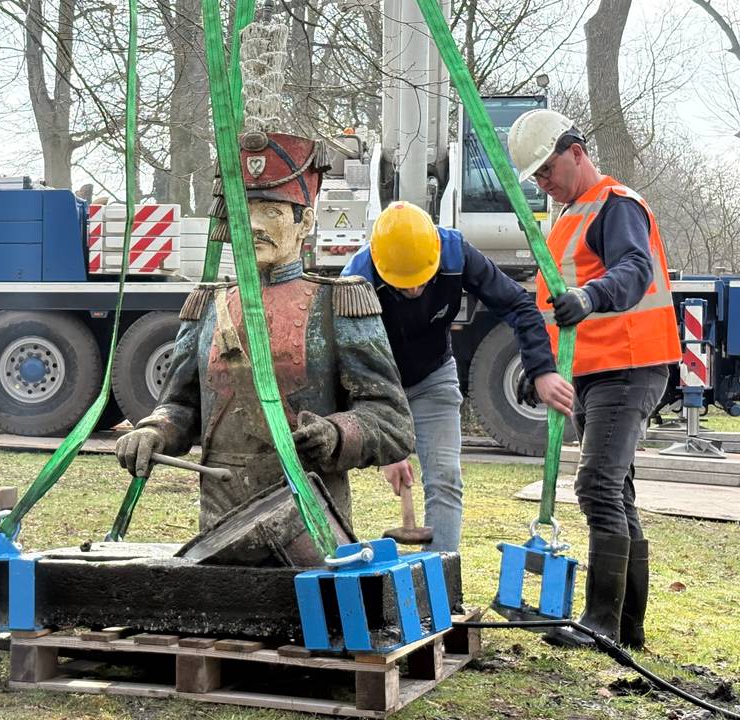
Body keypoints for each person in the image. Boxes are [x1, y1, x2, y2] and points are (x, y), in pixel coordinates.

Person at [115, 129, 414, 566]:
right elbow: (180, 406)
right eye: (245, 211)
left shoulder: (340, 304)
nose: (254, 224)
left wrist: (336, 433)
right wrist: (153, 430)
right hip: (219, 532)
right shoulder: (206, 306)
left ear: (305, 223)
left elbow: (392, 423)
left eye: (272, 211)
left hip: (309, 531)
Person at [507, 109, 681, 649]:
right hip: (593, 370)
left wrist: (588, 297)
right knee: (616, 492)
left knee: (597, 486)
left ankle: (601, 623)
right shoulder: (567, 217)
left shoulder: (615, 205)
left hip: (628, 365)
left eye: (547, 169)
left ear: (576, 151)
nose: (544, 182)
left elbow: (633, 270)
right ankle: (627, 628)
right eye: (535, 177)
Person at [341, 201, 574, 554]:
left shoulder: (455, 253)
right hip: (376, 383)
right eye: (404, 287)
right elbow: (350, 362)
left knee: (446, 479)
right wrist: (385, 441)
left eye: (422, 282)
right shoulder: (357, 278)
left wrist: (541, 370)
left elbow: (518, 305)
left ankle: (441, 580)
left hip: (433, 374)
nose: (415, 292)